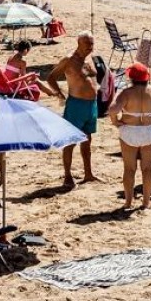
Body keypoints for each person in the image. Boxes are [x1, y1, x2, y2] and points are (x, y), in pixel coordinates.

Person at [43, 33, 106, 187]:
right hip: (76, 105)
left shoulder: (90, 58)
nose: (90, 47)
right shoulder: (69, 60)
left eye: (92, 44)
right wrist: (59, 93)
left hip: (91, 105)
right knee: (70, 141)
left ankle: (88, 173)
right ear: (78, 43)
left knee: (87, 140)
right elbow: (51, 77)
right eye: (87, 44)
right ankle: (67, 176)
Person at [109, 62, 151, 210]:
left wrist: (116, 121)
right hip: (148, 130)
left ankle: (128, 202)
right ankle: (146, 202)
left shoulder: (126, 92)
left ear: (131, 78)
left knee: (129, 169)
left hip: (130, 130)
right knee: (147, 168)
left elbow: (112, 109)